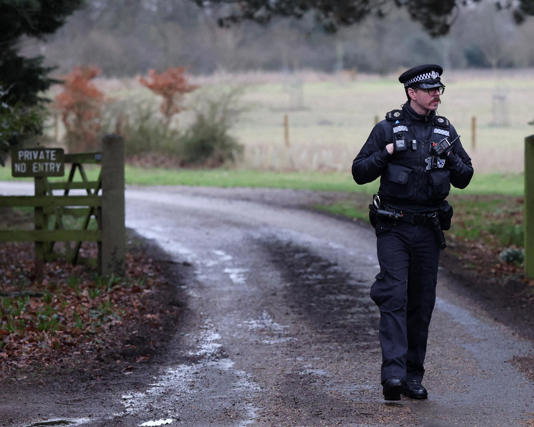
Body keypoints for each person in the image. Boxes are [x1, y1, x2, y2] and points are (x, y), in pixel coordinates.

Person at [351, 64, 473, 401]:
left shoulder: (446, 132)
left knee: (421, 303)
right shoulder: (387, 128)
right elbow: (359, 172)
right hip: (394, 227)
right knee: (393, 296)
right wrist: (388, 151)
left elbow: (465, 177)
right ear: (411, 93)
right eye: (430, 89)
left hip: (428, 229)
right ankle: (392, 376)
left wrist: (450, 156)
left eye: (439, 89)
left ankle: (412, 376)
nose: (437, 94)